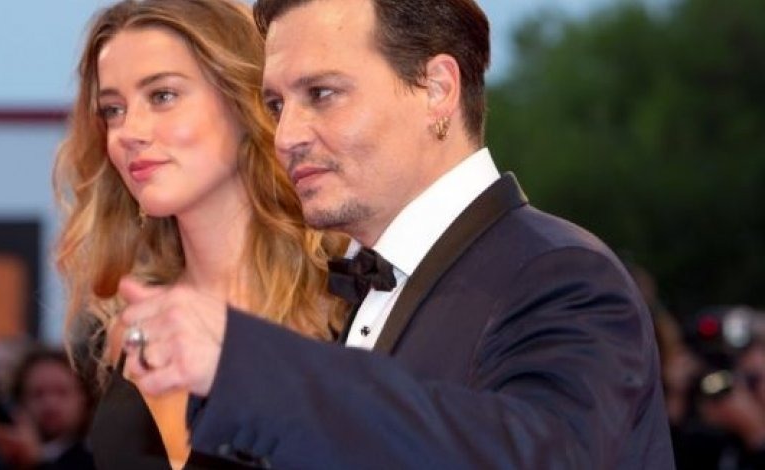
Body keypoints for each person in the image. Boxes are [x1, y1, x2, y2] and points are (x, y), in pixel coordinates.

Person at [118, 0, 675, 468]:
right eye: (276, 105)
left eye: (322, 93)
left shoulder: (561, 273)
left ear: (437, 89)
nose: (285, 136)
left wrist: (248, 365)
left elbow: (536, 457)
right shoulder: (359, 292)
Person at [51, 0, 346, 468]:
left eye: (162, 96)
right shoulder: (128, 326)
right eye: (113, 109)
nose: (129, 131)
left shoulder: (346, 308)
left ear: (244, 98)